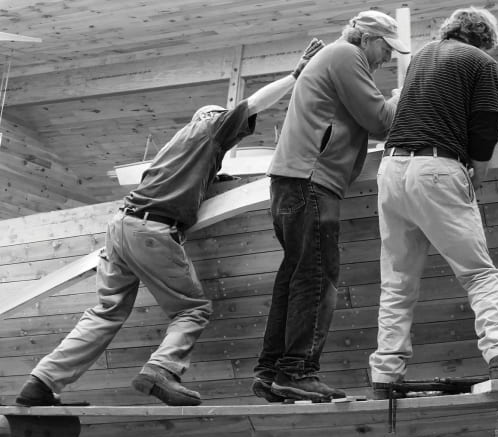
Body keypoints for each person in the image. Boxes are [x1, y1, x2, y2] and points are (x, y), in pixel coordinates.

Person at [15, 39, 325, 407]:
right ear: (211, 117)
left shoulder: (172, 150)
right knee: (192, 309)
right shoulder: (209, 127)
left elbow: (180, 180)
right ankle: (162, 370)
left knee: (105, 312)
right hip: (152, 230)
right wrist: (296, 73)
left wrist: (214, 179)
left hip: (120, 228)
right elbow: (252, 104)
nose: (237, 131)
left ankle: (41, 382)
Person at [368, 7, 498, 397]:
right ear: (486, 38)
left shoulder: (422, 56)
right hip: (438, 167)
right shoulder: (481, 61)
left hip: (392, 170)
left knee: (397, 281)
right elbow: (486, 120)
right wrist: (479, 168)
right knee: (479, 274)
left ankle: (385, 375)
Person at [254, 10, 408, 403]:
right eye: (386, 48)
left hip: (295, 181)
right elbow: (380, 121)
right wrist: (403, 94)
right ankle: (297, 372)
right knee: (318, 279)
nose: (387, 58)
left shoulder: (337, 59)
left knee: (295, 278)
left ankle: (273, 372)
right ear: (367, 39)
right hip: (312, 181)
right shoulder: (346, 56)